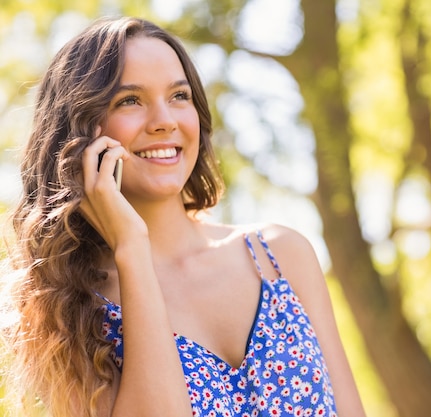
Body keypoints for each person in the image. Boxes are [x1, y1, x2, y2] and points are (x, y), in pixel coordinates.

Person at [1, 16, 366, 417]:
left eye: (179, 96)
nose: (164, 121)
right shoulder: (64, 308)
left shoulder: (280, 256)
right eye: (130, 100)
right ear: (81, 131)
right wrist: (133, 251)